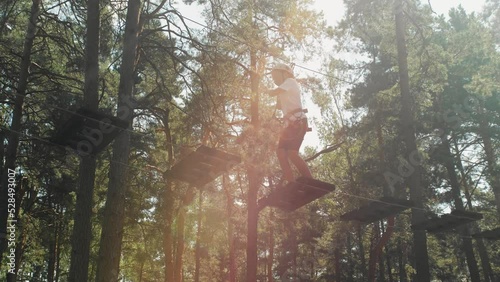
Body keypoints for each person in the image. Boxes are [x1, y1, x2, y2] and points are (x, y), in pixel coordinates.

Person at [267, 63, 313, 184]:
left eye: (277, 76)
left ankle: (310, 180)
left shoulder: (290, 81)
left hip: (298, 121)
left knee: (292, 154)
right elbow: (280, 106)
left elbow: (273, 92)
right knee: (281, 153)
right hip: (290, 124)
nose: (275, 79)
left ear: (285, 73)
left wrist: (261, 89)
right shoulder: (286, 87)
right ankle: (291, 182)